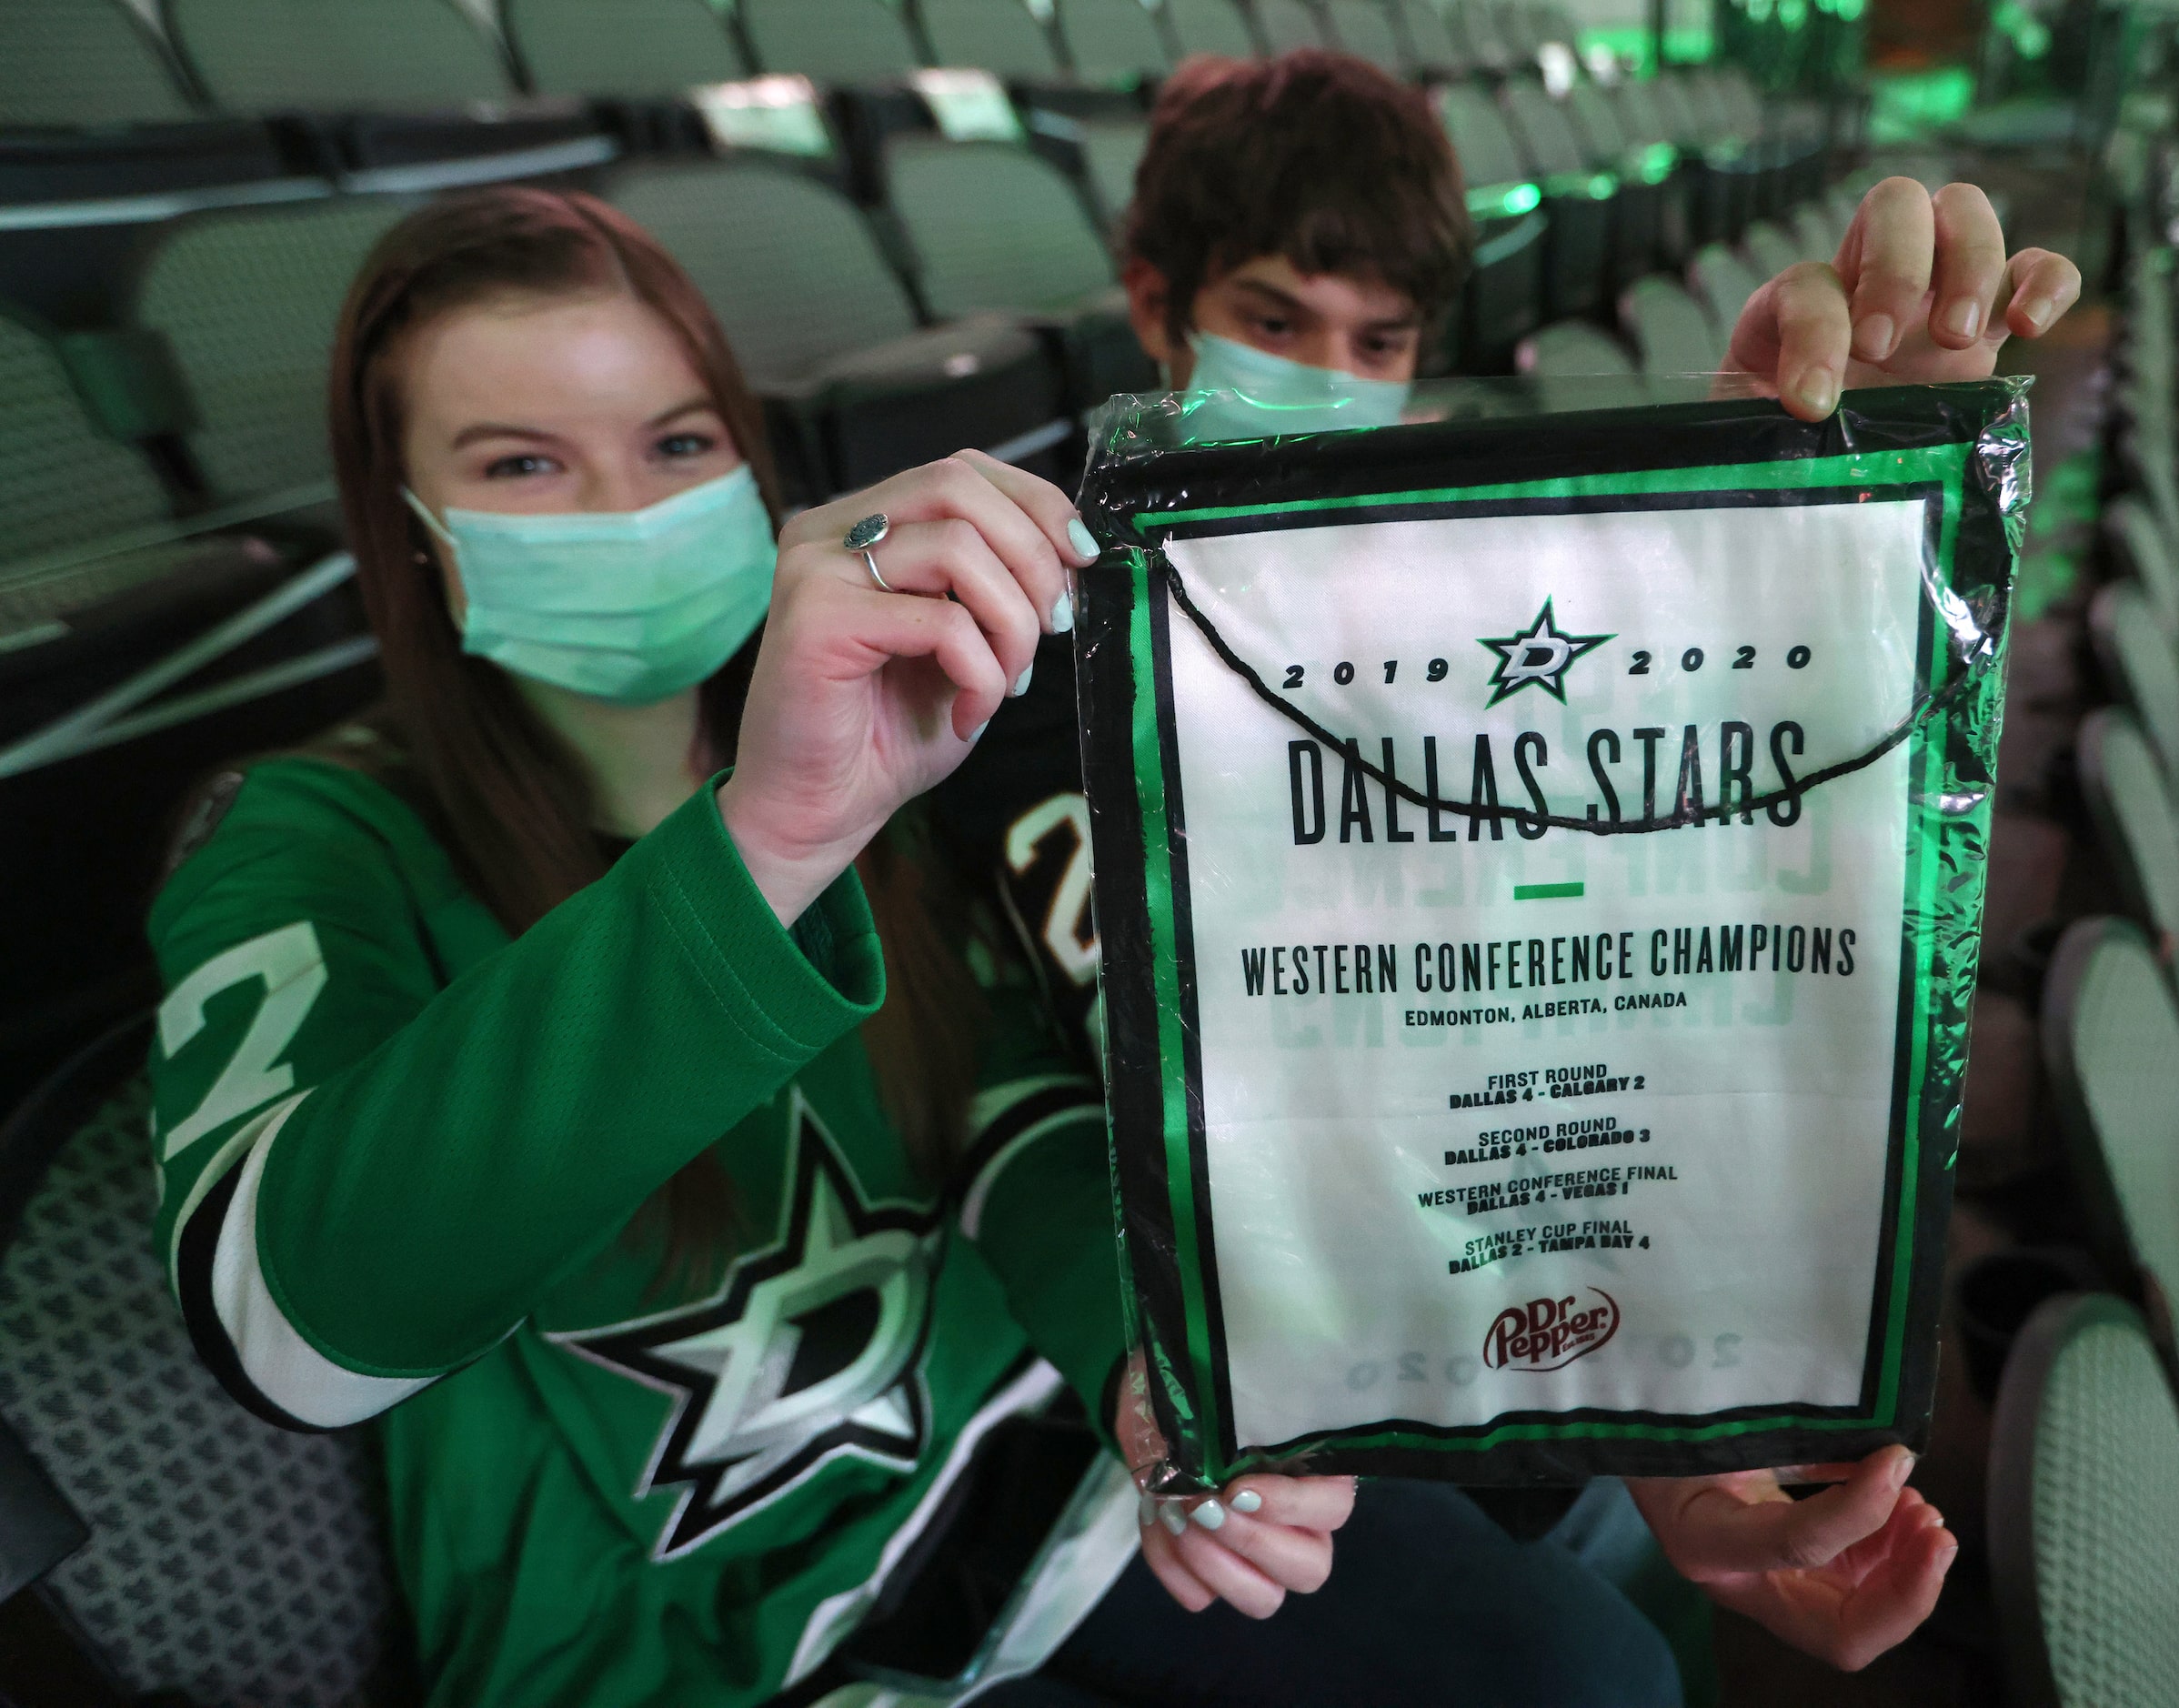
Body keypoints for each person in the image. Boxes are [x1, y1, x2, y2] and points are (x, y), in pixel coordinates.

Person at [147, 186, 1851, 1708]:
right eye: (521, 462)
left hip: (1036, 1482)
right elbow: (288, 1325)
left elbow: (1006, 1114)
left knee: (1579, 1669)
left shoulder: (863, 728)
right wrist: (767, 842)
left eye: (678, 445)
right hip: (698, 1631)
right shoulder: (303, 833)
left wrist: (1153, 1371)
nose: (622, 507)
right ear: (409, 521)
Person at [930, 45, 2080, 1680]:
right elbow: (1006, 1106)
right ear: (1153, 300)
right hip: (1241, 1383)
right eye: (1274, 319)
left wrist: (1789, 548)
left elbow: (1694, 955)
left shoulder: (1488, 586)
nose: (1332, 372)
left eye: (1381, 338)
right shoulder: (1027, 633)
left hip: (1548, 1346)